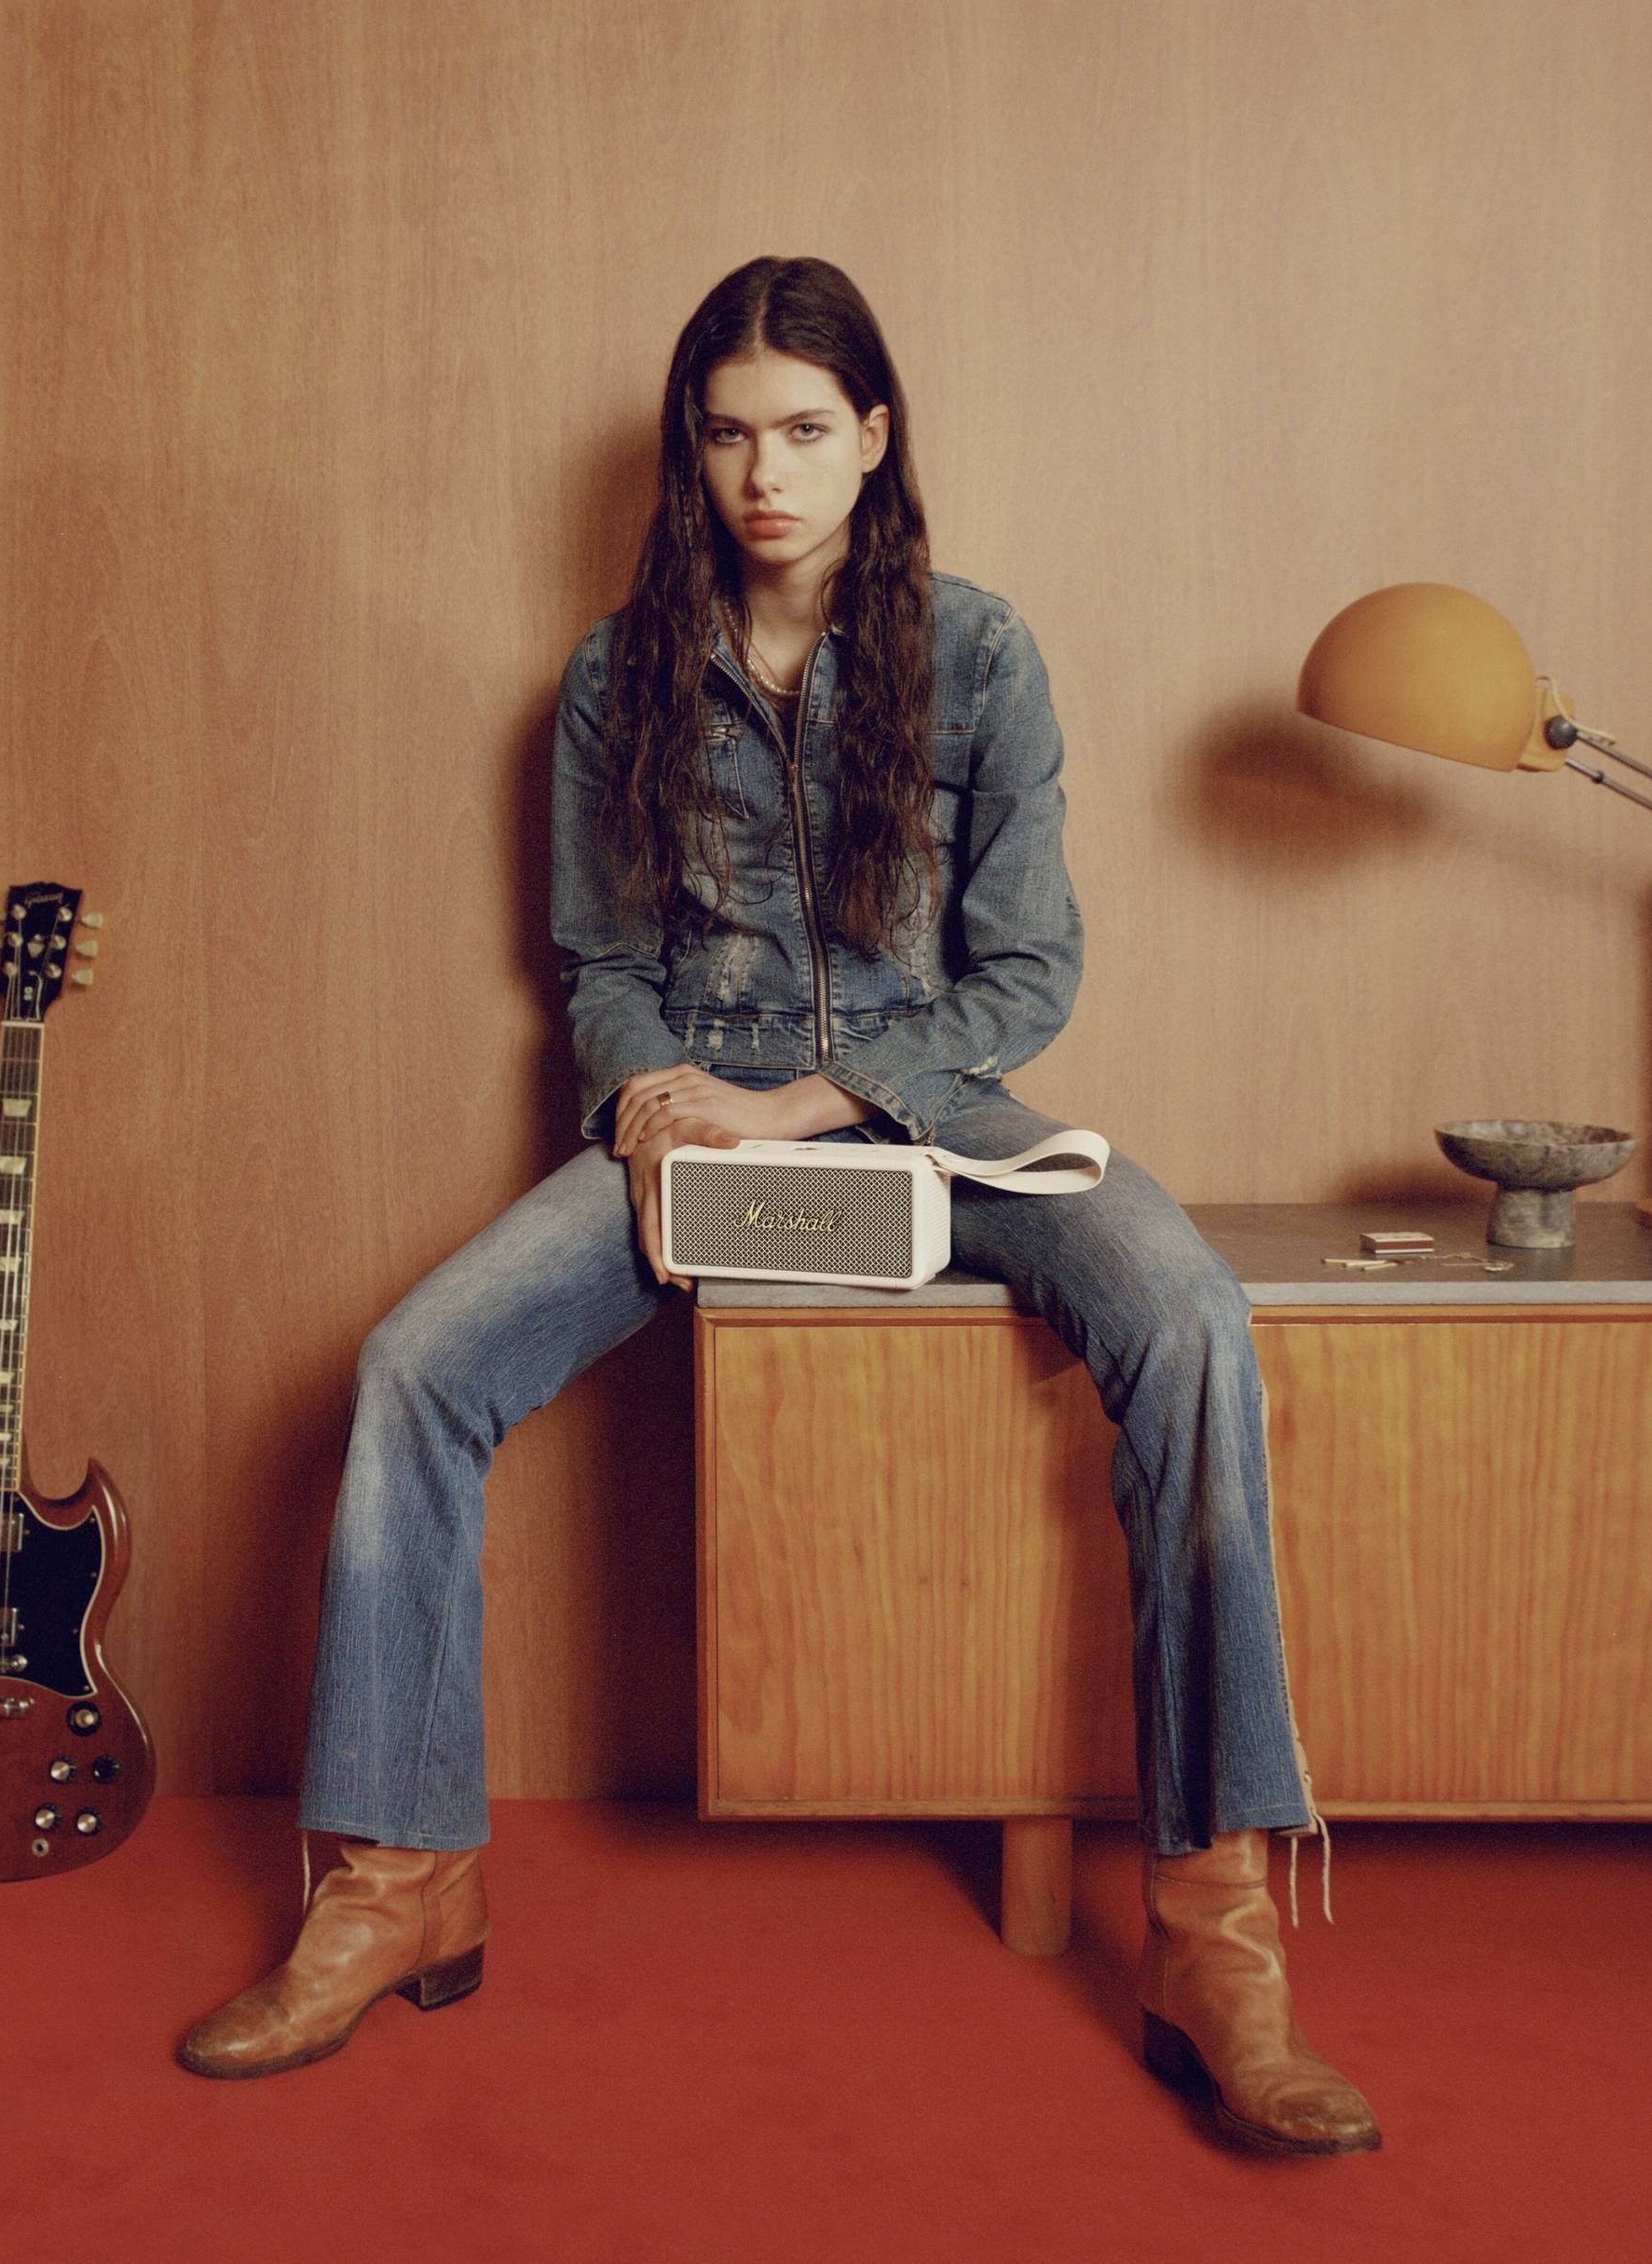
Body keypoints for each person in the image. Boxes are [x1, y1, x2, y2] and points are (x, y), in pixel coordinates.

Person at [177, 255, 1379, 2155]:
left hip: (937, 1114)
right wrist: (661, 1110)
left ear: (873, 437)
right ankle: (398, 1881)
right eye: (731, 434)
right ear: (694, 450)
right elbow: (596, 961)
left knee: (1187, 1310)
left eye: (805, 430)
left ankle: (1215, 1935)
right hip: (698, 1120)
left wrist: (809, 1103)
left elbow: (1029, 970)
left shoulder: (980, 656)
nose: (766, 473)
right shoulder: (617, 677)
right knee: (415, 1363)